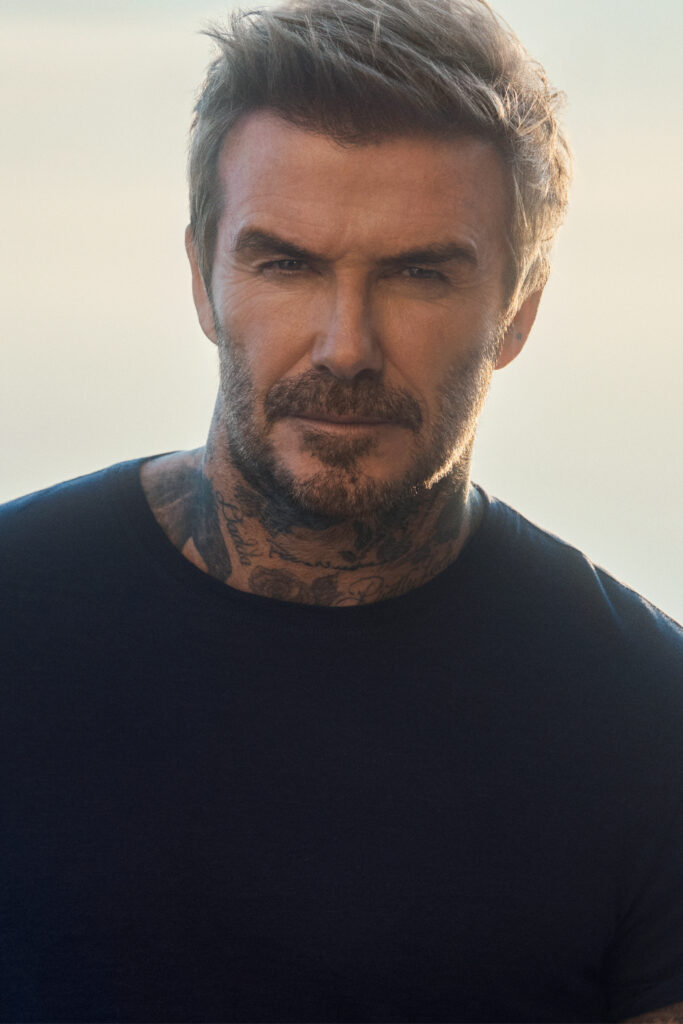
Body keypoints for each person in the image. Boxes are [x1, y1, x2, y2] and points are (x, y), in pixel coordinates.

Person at [1, 0, 681, 1020]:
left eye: (418, 274)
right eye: (287, 263)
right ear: (203, 281)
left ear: (517, 311)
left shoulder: (647, 724)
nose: (345, 346)